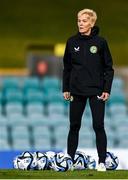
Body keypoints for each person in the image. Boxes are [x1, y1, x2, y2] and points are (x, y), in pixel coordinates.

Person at [62, 8, 114, 171]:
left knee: (98, 126)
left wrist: (107, 89)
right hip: (76, 91)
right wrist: (66, 88)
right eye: (79, 21)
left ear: (92, 23)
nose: (80, 24)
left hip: (96, 91)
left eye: (84, 21)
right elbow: (67, 68)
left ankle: (101, 162)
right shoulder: (71, 42)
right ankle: (69, 161)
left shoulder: (101, 42)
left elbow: (109, 68)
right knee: (74, 126)